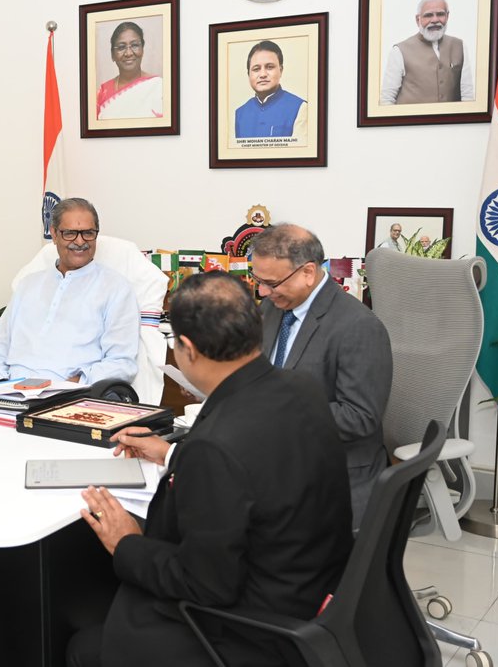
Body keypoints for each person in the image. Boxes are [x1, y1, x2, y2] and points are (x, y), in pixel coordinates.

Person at [66, 272, 352, 667]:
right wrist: (170, 454)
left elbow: (205, 585)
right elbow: (260, 470)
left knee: (84, 648)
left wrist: (127, 543)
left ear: (186, 349)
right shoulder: (301, 388)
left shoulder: (214, 445)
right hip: (312, 594)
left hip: (249, 630)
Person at [251, 224, 393, 528]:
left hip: (330, 476)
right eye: (258, 281)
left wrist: (278, 411)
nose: (263, 291)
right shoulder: (273, 308)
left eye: (271, 283)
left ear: (308, 272)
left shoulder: (358, 327)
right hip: (273, 459)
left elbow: (361, 417)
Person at [0, 198, 139, 386]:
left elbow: (121, 363)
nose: (80, 241)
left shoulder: (116, 288)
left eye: (88, 233)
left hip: (69, 397)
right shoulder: (28, 285)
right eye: (69, 233)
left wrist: (73, 385)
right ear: (54, 234)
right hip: (8, 393)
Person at [380, 0, 475, 105]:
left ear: (447, 16)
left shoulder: (460, 46)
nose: (435, 20)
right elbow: (387, 99)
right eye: (428, 15)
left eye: (440, 14)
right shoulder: (399, 51)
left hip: (451, 122)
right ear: (418, 19)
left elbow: (467, 95)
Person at [234, 40, 308, 138]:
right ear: (248, 74)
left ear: (281, 70)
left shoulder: (300, 108)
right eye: (256, 69)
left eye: (269, 67)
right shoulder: (240, 114)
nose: (263, 74)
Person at [95, 22, 164, 120]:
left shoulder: (159, 87)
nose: (128, 53)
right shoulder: (102, 94)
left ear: (142, 50)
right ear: (112, 55)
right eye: (121, 47)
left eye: (135, 45)